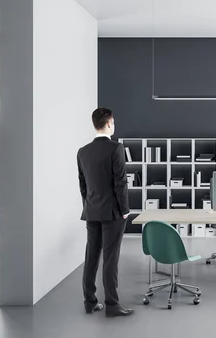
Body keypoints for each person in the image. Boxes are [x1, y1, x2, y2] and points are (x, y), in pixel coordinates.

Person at [77, 108, 133, 317]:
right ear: (109, 123)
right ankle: (112, 305)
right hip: (113, 213)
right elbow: (120, 183)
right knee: (110, 258)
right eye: (113, 122)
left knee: (91, 256)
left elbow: (82, 184)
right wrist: (125, 210)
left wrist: (88, 205)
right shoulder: (115, 148)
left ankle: (89, 301)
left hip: (91, 211)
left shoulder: (82, 151)